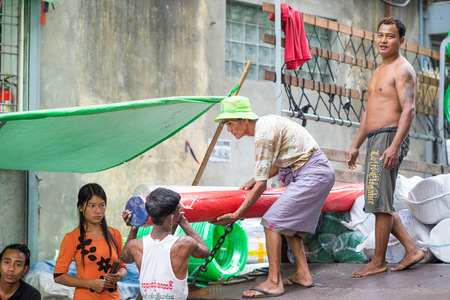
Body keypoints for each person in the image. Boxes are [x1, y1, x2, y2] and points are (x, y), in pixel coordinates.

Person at [212, 95, 335, 298]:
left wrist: (237, 214)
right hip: (311, 172)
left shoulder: (263, 134)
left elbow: (261, 186)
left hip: (312, 173)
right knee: (287, 224)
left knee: (271, 221)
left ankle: (274, 281)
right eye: (226, 124)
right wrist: (255, 178)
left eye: (231, 123)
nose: (229, 129)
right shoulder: (266, 124)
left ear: (245, 120)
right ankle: (303, 275)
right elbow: (277, 163)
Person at [346, 16, 424, 278]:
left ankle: (378, 261)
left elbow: (409, 109)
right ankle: (412, 250)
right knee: (381, 201)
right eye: (380, 35)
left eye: (390, 36)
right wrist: (356, 144)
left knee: (379, 203)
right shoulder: (379, 70)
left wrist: (394, 145)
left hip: (389, 138)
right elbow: (369, 112)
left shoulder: (403, 70)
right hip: (375, 139)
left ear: (401, 41)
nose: (383, 40)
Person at [121, 187, 210, 300]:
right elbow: (205, 252)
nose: (181, 209)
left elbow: (125, 258)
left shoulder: (135, 245)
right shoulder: (184, 243)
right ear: (172, 217)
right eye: (179, 208)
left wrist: (135, 226)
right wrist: (182, 220)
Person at [54, 183, 127, 299]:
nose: (98, 211)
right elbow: (58, 276)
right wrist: (90, 283)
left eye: (102, 205)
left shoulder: (115, 234)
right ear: (81, 207)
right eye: (92, 206)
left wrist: (119, 275)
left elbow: (123, 266)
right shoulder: (72, 238)